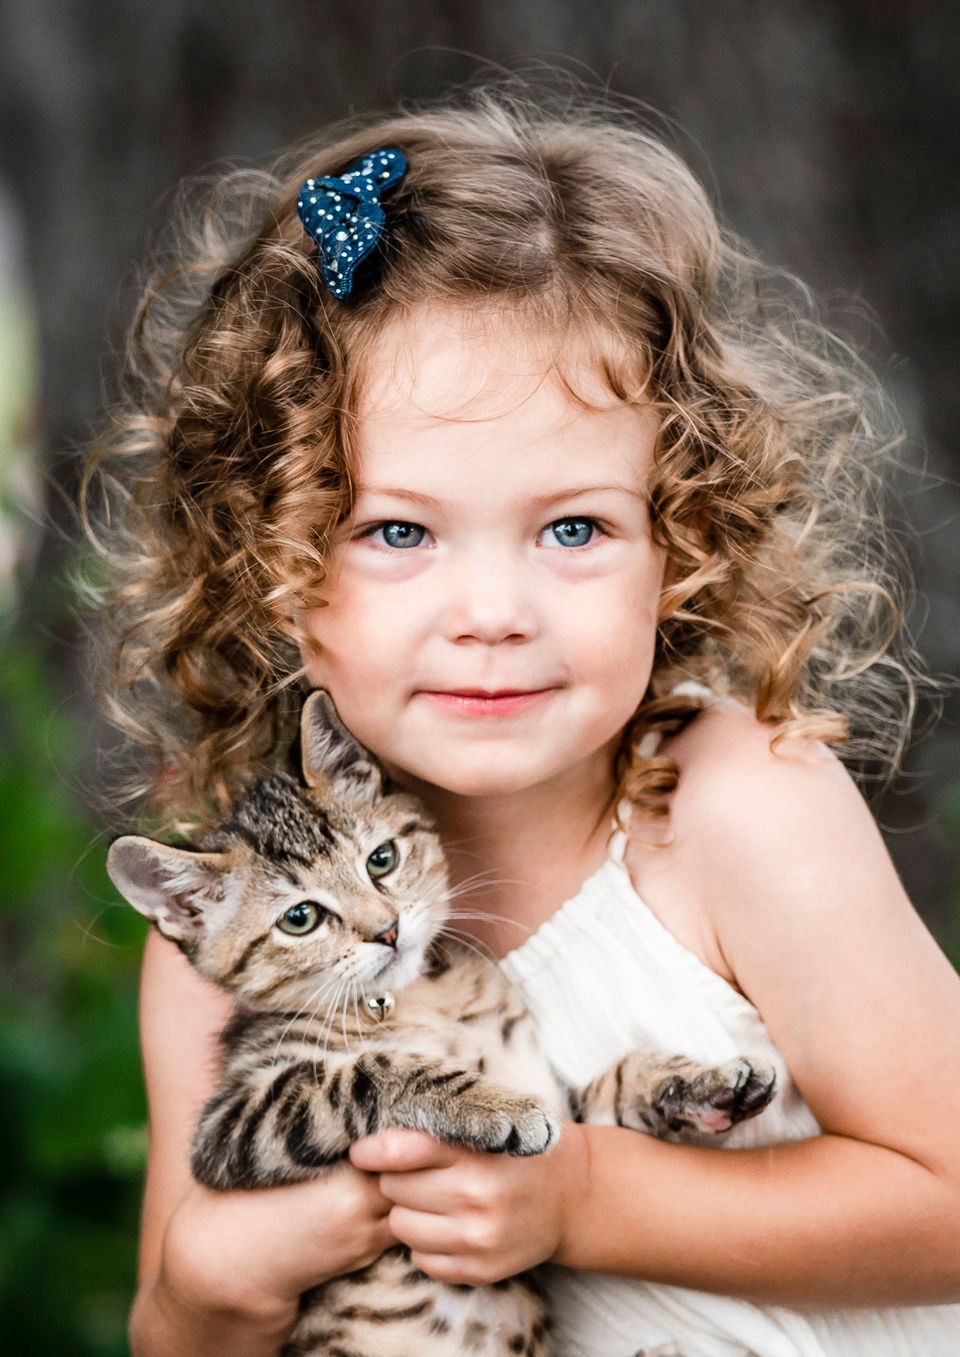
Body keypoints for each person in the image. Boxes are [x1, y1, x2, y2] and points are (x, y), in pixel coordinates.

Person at [86, 82, 960, 1357]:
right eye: (397, 530)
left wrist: (582, 1195)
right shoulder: (220, 949)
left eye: (573, 528)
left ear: (685, 537)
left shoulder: (736, 809)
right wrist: (208, 1284)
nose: (492, 611)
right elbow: (185, 1332)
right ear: (272, 561)